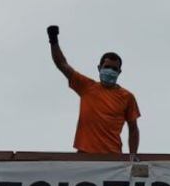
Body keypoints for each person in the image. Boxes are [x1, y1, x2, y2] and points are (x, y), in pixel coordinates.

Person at [47, 25, 140, 157]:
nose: (110, 71)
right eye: (107, 67)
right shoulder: (86, 86)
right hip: (85, 156)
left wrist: (132, 155)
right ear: (99, 68)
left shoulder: (127, 96)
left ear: (119, 72)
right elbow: (62, 64)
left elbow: (133, 128)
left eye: (114, 69)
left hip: (113, 158)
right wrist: (53, 40)